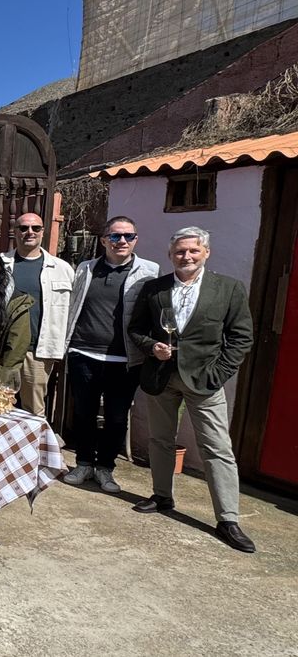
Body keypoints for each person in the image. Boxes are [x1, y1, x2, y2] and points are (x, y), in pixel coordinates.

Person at [127, 227, 255, 553]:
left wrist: (218, 374)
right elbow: (136, 329)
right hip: (161, 377)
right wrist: (151, 346)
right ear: (170, 255)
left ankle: (228, 519)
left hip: (204, 381)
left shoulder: (228, 289)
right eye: (180, 251)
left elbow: (241, 338)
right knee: (160, 440)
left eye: (193, 251)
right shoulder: (154, 289)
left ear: (206, 253)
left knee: (217, 448)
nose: (186, 257)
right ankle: (162, 496)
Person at [60, 216, 159, 493]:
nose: (122, 241)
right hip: (83, 352)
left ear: (136, 240)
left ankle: (105, 468)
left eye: (128, 236)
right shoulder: (86, 268)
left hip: (125, 359)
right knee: (84, 413)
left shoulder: (149, 271)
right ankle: (83, 463)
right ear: (104, 240)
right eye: (115, 236)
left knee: (116, 418)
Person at [1, 212, 74, 417]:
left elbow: (72, 310)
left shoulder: (62, 269)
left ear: (43, 231)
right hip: (2, 350)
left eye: (35, 228)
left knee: (33, 410)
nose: (29, 232)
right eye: (23, 228)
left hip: (37, 352)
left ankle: (35, 440)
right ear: (15, 232)